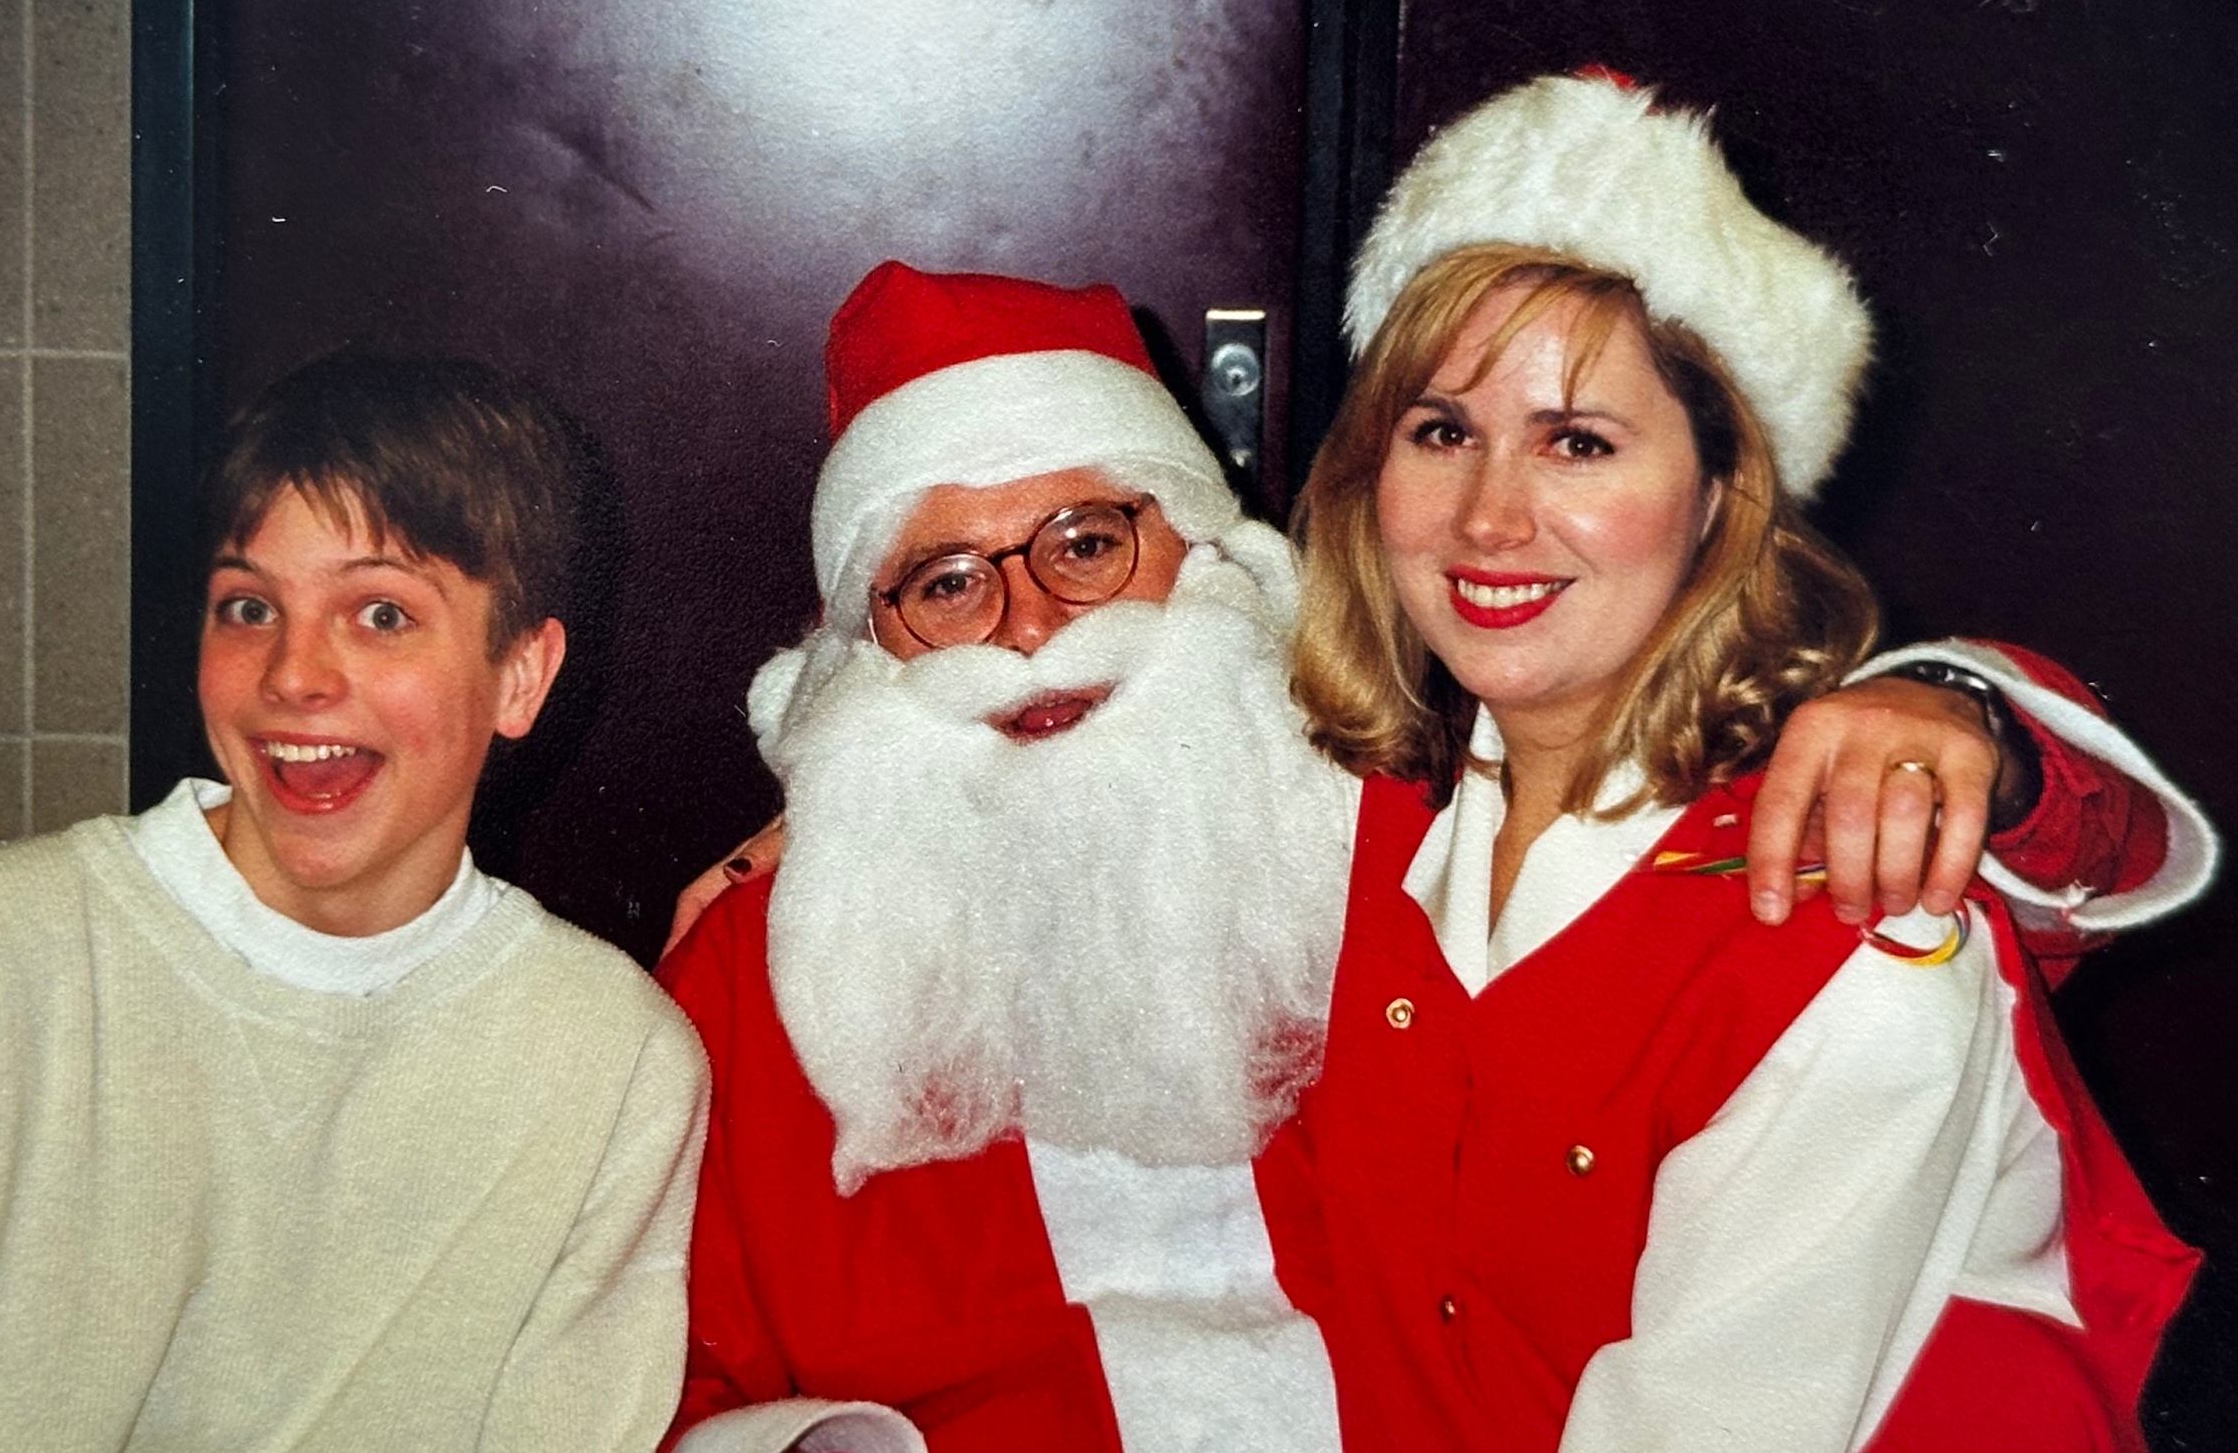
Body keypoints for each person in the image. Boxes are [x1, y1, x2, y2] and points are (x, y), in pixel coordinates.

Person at [656, 261, 2203, 1453]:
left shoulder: (1380, 828)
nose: (1035, 630)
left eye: (1086, 542)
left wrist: (1969, 718)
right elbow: (661, 1379)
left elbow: (1969, 901)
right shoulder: (764, 960)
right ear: (863, 659)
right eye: (942, 583)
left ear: (1214, 561)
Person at [1287, 72, 2217, 1452]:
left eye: (1578, 443)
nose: (1489, 514)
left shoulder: (1850, 910)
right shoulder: (1347, 814)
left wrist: (1972, 705)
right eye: (1442, 431)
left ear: (1722, 497)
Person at [0, 354, 708, 1452]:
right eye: (248, 606)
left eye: (379, 613)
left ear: (520, 675)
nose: (292, 674)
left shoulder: (610, 1059)